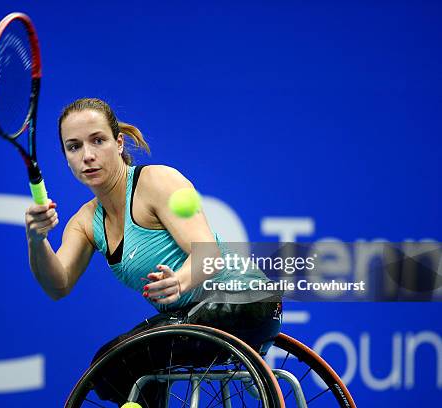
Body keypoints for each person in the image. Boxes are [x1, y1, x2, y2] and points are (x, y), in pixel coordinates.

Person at [25, 98, 281, 405]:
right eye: (74, 146)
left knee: (121, 358)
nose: (88, 156)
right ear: (66, 157)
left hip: (244, 299)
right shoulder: (85, 222)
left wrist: (181, 281)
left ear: (119, 143)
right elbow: (58, 285)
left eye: (98, 140)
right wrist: (36, 239)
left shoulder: (157, 181)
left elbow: (208, 255)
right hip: (193, 319)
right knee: (108, 369)